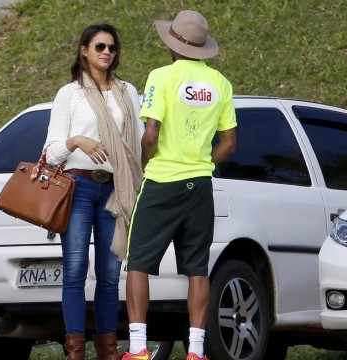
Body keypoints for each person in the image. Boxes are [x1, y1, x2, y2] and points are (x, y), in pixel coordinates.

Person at [121, 10, 237, 360]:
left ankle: (139, 348)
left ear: (173, 44)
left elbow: (151, 132)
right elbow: (229, 144)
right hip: (200, 185)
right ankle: (197, 351)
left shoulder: (162, 76)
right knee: (197, 270)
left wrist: (146, 160)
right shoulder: (221, 83)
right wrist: (202, 164)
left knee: (138, 264)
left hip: (161, 181)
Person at [43, 23, 144, 360]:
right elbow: (51, 152)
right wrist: (76, 141)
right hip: (79, 186)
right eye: (99, 46)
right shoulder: (68, 94)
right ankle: (74, 350)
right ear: (84, 50)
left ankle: (108, 349)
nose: (106, 53)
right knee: (74, 271)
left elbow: (140, 144)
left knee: (110, 275)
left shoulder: (127, 92)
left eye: (112, 48)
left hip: (116, 189)